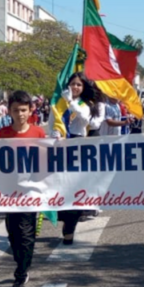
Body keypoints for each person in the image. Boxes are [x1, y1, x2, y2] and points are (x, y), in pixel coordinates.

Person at [0, 91, 48, 287]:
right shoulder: (3, 134)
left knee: (26, 236)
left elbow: (46, 163)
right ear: (9, 111)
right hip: (8, 195)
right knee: (13, 236)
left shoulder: (38, 134)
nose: (20, 114)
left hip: (30, 194)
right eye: (16, 110)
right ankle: (21, 264)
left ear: (31, 110)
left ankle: (20, 276)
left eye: (24, 110)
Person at [52, 72, 97, 244]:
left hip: (78, 145)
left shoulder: (85, 105)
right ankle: (64, 217)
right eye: (73, 84)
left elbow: (87, 121)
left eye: (79, 84)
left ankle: (70, 226)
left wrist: (71, 102)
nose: (75, 87)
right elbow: (53, 122)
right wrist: (55, 134)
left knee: (77, 188)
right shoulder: (58, 103)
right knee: (60, 185)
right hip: (60, 144)